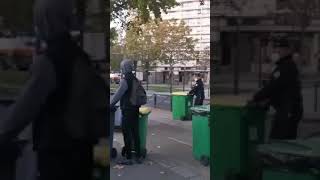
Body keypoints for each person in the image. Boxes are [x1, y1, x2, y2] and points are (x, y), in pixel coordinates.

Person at [0, 0, 108, 179]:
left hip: (58, 150)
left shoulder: (50, 60)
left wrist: (4, 134)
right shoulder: (79, 56)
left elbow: (25, 108)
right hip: (81, 147)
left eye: (38, 20)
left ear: (46, 21)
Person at [251, 38, 303, 140]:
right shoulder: (283, 65)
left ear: (288, 50)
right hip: (288, 109)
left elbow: (273, 87)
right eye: (278, 48)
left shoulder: (286, 66)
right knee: (284, 141)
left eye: (281, 48)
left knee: (279, 141)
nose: (278, 51)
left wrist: (256, 97)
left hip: (288, 110)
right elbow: (277, 88)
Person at [110, 59, 142, 165]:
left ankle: (128, 157)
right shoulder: (135, 79)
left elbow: (118, 95)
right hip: (135, 109)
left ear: (124, 68)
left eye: (122, 67)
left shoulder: (125, 80)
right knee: (135, 133)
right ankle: (138, 156)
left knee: (126, 133)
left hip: (127, 110)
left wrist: (110, 104)